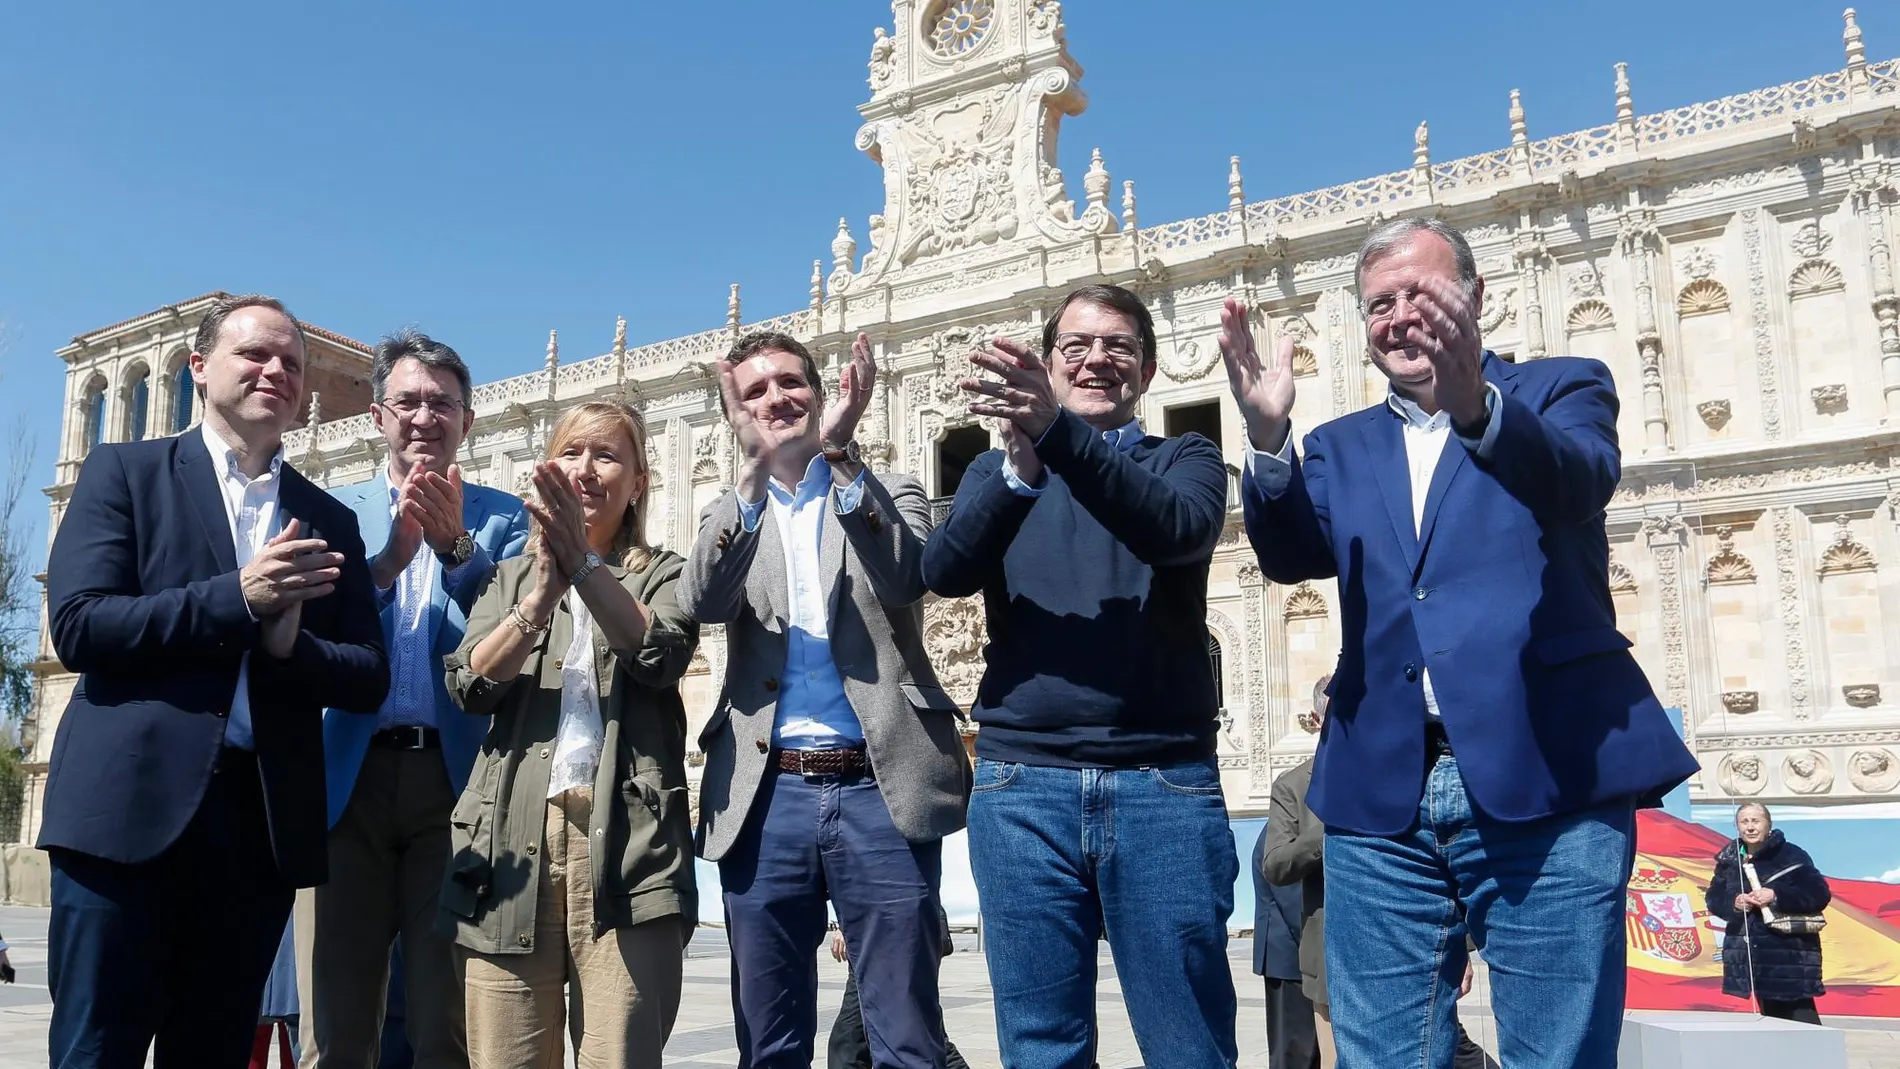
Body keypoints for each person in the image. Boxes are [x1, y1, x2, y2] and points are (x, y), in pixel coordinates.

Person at [1222, 217, 1698, 1069]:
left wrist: (1474, 400)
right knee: (1385, 1053)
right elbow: (1293, 553)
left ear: (1477, 297)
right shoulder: (1339, 445)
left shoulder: (1562, 387)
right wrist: (1267, 442)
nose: (1400, 315)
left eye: (1422, 293)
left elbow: (1576, 479)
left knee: (1555, 1052)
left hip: (1548, 770)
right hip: (1380, 789)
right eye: (1379, 303)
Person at [40, 292, 389, 1068]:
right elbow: (82, 624)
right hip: (125, 817)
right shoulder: (125, 474)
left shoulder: (329, 518)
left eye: (292, 364)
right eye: (255, 354)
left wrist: (285, 646)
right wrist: (237, 597)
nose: (277, 371)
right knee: (96, 1049)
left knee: (216, 1051)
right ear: (199, 368)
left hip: (255, 828)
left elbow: (367, 675)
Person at [922, 283, 1235, 1069]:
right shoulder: (1004, 478)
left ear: (1150, 369)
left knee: (1188, 1046)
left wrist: (1058, 435)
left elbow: (1173, 529)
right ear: (1050, 366)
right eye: (1076, 348)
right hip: (1021, 788)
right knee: (1040, 1050)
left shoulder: (1184, 459)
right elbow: (945, 569)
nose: (1097, 359)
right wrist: (1018, 470)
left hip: (1162, 783)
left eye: (1119, 346)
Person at [678, 330, 969, 1069]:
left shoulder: (886, 487)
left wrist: (841, 458)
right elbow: (705, 601)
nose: (777, 397)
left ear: (819, 389)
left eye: (789, 381)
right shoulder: (728, 515)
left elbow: (907, 577)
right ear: (735, 412)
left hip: (882, 785)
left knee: (906, 1028)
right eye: (754, 390)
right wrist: (747, 480)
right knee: (769, 1035)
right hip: (766, 791)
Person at [441, 400, 700, 1068]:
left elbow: (659, 655)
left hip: (626, 849)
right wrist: (536, 602)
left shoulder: (665, 572)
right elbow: (471, 685)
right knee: (505, 1055)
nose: (587, 469)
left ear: (639, 481)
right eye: (572, 452)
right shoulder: (511, 578)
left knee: (621, 1054)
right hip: (509, 847)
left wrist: (584, 566)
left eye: (608, 455)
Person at [297, 329, 528, 1069]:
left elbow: (519, 626)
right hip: (347, 778)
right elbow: (306, 624)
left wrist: (456, 547)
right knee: (337, 1018)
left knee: (443, 1018)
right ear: (377, 415)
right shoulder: (333, 510)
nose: (425, 416)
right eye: (409, 401)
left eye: (442, 402)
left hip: (453, 787)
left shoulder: (504, 517)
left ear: (469, 419)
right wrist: (390, 563)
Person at [1706, 803, 1831, 1025]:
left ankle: (1816, 1060)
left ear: (1769, 825)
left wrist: (1774, 895)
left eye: (1756, 821)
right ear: (1737, 826)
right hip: (1752, 958)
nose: (1750, 827)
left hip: (1789, 957)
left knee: (1803, 1024)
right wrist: (1735, 903)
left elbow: (1818, 894)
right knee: (1771, 1025)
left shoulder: (1791, 854)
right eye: (1745, 822)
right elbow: (1714, 899)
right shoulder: (1729, 860)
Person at [1261, 677, 1330, 1069]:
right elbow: (1275, 863)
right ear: (1316, 720)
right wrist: (1328, 829)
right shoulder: (1293, 786)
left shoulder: (1397, 771)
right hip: (1320, 956)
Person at [827, 911, 970, 1069]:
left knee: (853, 1042)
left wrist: (848, 924)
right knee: (852, 1042)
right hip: (881, 927)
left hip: (891, 925)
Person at [1253, 814, 1319, 1069]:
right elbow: (1293, 899)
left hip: (1295, 954)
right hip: (1290, 957)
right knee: (1295, 1051)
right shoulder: (1284, 829)